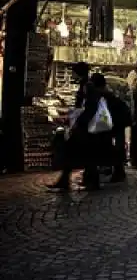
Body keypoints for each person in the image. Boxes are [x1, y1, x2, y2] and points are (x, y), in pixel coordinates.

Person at [48, 62, 101, 191]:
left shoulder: (87, 86)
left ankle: (68, 180)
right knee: (83, 154)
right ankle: (82, 180)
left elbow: (88, 107)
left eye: (73, 72)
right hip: (84, 125)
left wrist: (80, 121)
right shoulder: (86, 85)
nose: (72, 75)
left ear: (78, 73)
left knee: (74, 152)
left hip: (84, 126)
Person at [89, 73, 132, 183]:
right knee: (115, 146)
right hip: (118, 121)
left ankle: (117, 171)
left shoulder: (101, 94)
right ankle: (116, 170)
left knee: (114, 146)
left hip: (115, 122)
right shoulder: (108, 92)